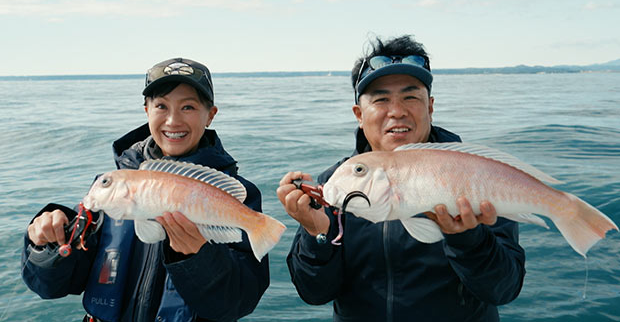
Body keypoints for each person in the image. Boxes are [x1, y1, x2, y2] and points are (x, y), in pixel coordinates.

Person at [277, 35, 526, 321]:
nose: (397, 111)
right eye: (381, 99)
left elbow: (503, 289)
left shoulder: (473, 175)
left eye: (410, 97)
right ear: (359, 114)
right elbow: (314, 292)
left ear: (430, 107)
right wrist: (317, 235)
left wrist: (468, 239)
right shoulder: (335, 184)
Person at [22, 58, 269, 322]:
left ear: (210, 114)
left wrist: (197, 257)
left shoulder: (240, 195)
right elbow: (51, 286)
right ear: (146, 110)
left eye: (188, 107)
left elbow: (237, 303)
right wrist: (46, 245)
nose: (173, 120)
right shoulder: (114, 188)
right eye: (161, 106)